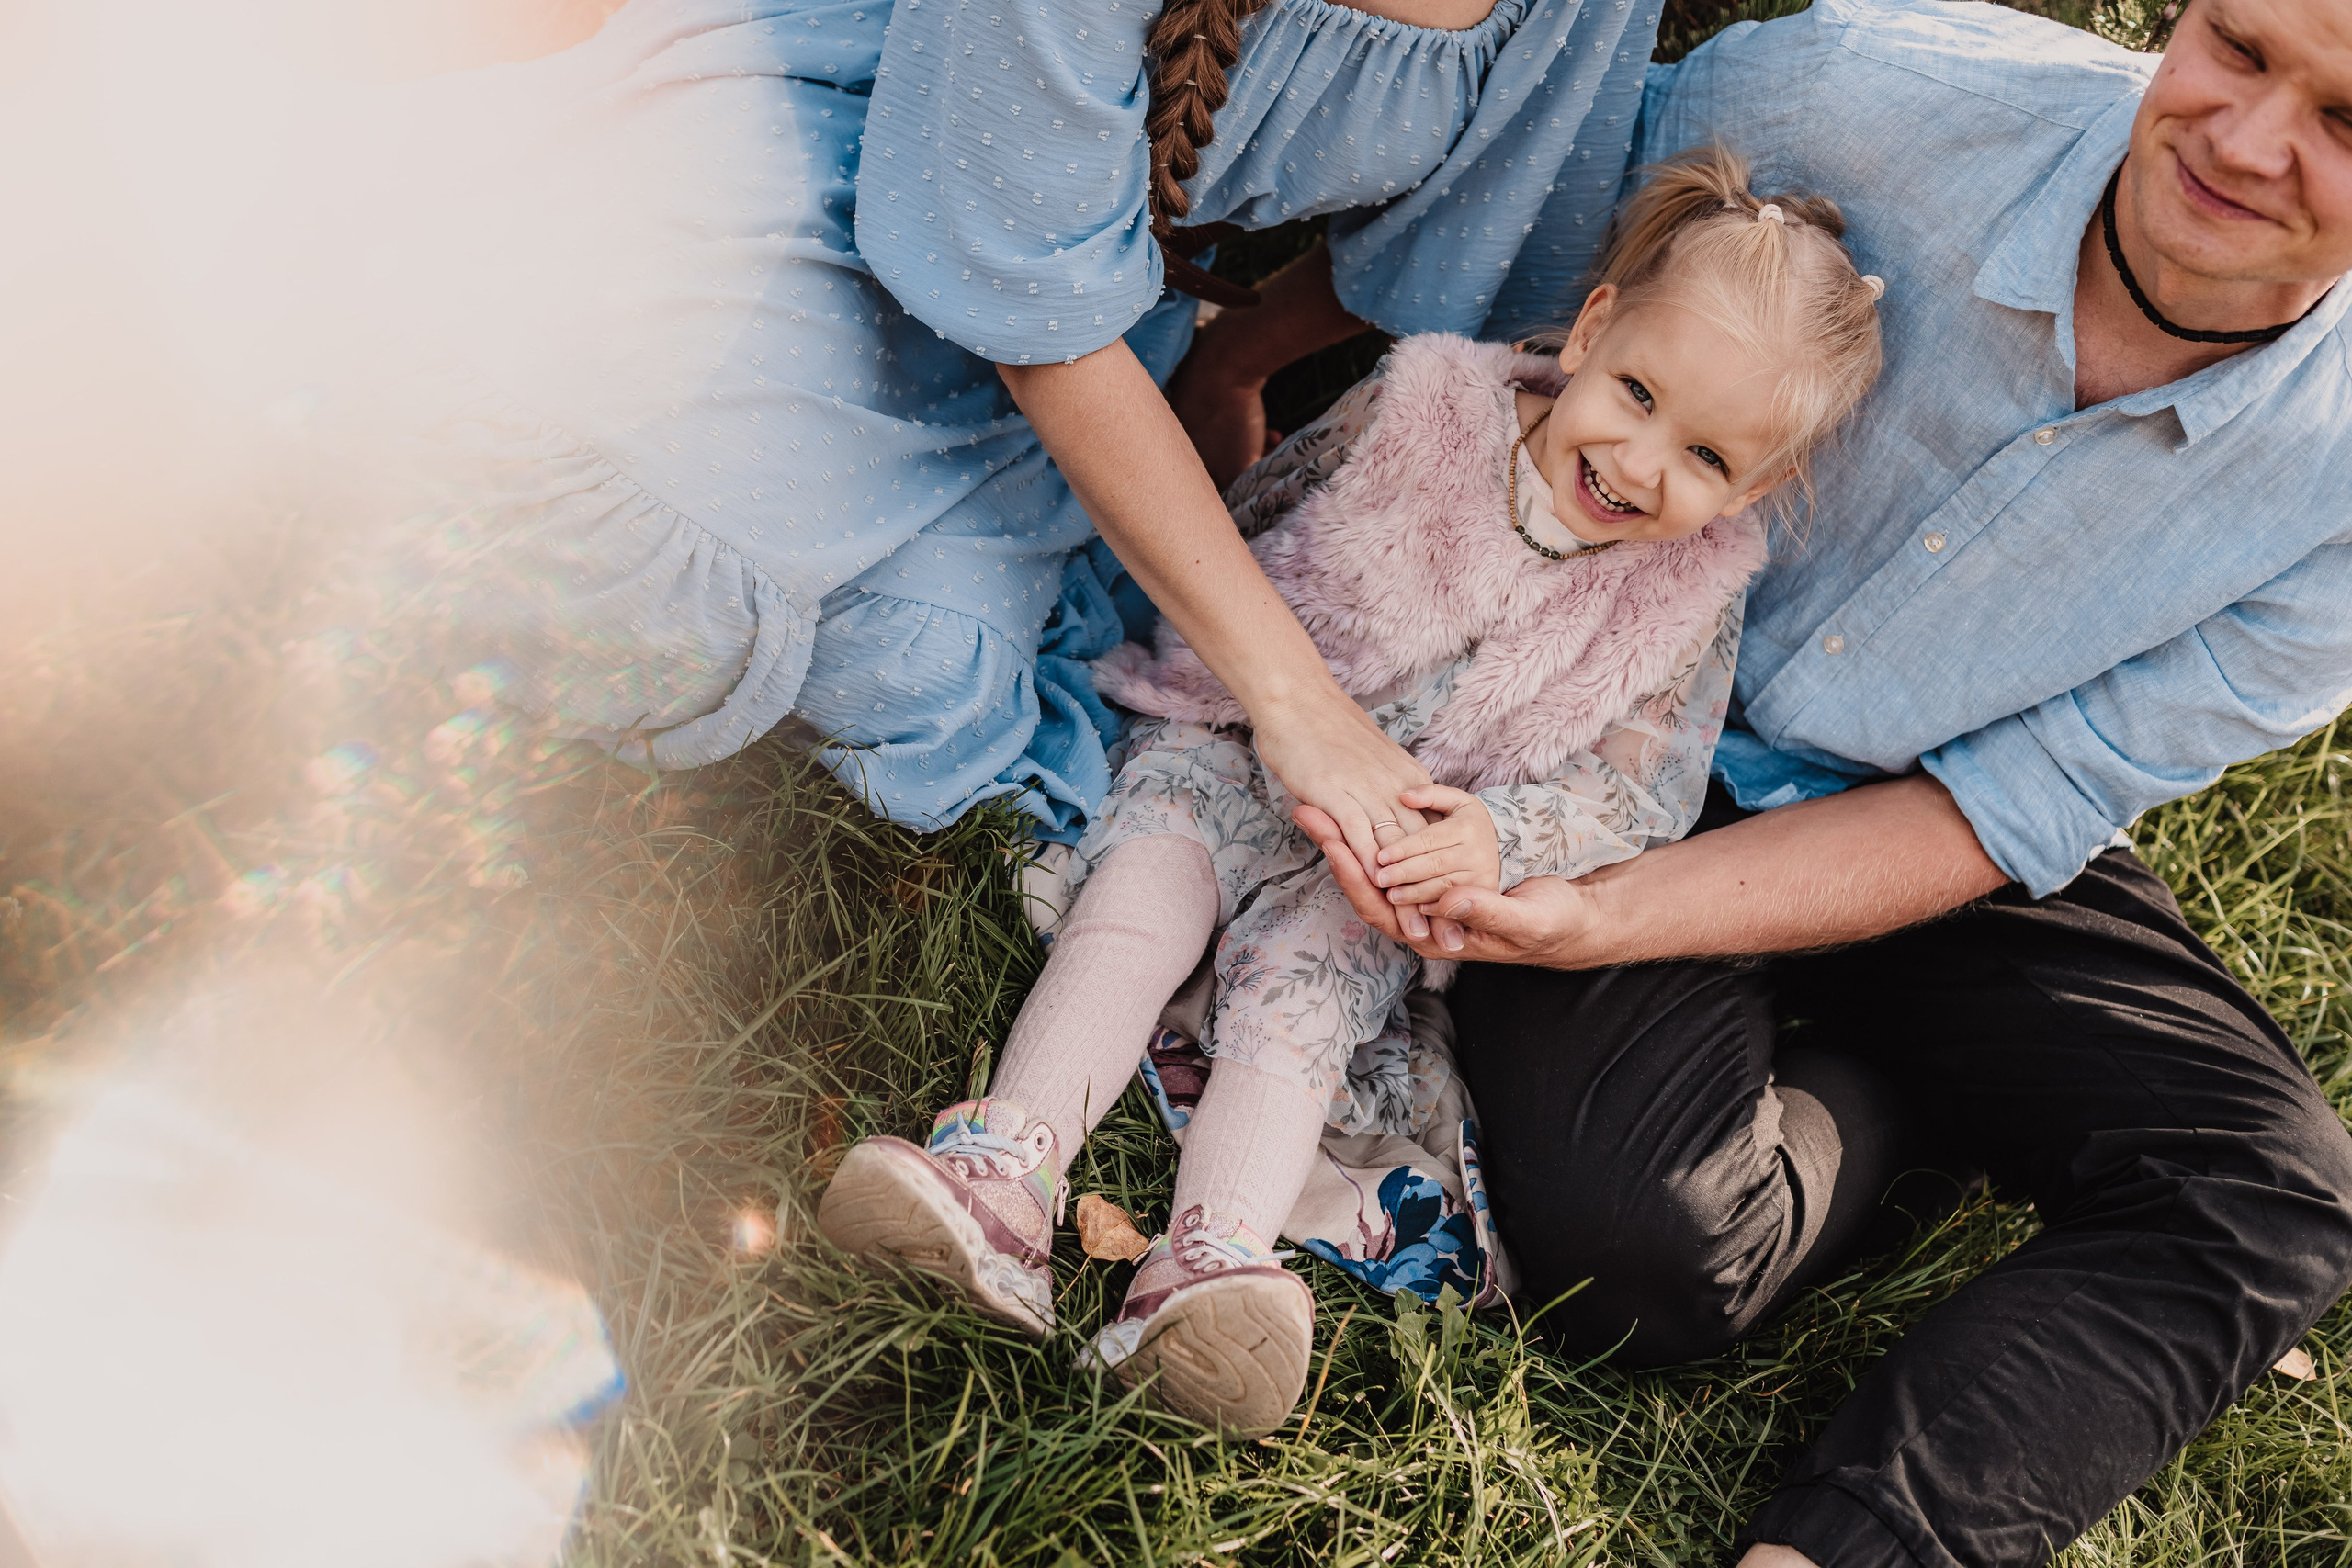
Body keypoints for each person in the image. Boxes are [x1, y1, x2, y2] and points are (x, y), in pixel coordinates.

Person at [1277, 0, 2352, 1562]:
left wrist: (1604, 926)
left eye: (2347, 123)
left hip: (1950, 812)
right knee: (1644, 1261)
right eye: (2239, 48)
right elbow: (1530, 242)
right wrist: (1240, 356)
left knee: (2271, 1191)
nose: (2248, 146)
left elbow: (2016, 801)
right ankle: (1896, 1100)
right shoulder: (1852, 94)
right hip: (1601, 724)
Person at [812, 145, 1886, 1437]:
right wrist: (1227, 659)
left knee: (1308, 1001)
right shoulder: (1426, 405)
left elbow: (1639, 797)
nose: (1641, 464)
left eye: (1707, 456)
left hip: (1383, 856)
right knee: (1146, 892)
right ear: (1594, 327)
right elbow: (1262, 512)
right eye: (1639, 394)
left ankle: (1208, 1266)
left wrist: (1497, 834)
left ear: (1757, 486)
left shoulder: (1686, 598)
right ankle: (1003, 1171)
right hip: (1231, 741)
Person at [370, 0, 1659, 909]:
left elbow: (1483, 238)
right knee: (643, 583)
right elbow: (1030, 304)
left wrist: (1233, 361)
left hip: (1088, 302)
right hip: (850, 157)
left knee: (930, 685)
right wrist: (1299, 703)